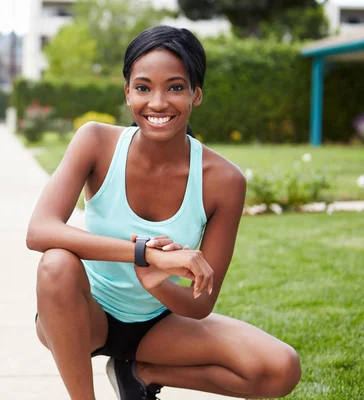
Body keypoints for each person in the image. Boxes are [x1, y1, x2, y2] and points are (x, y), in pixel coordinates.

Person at [26, 25, 301, 400]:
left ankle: (138, 374)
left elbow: (201, 305)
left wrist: (158, 284)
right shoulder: (96, 142)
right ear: (127, 93)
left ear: (196, 95)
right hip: (84, 318)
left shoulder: (223, 181)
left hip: (160, 326)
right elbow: (39, 231)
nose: (157, 102)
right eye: (143, 87)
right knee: (56, 263)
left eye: (175, 87)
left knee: (280, 369)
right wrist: (145, 254)